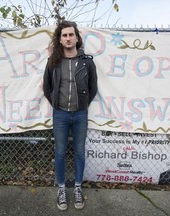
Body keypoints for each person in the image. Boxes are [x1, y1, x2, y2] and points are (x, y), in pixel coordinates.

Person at [43, 20, 98, 210]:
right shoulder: (53, 62)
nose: (68, 38)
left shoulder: (87, 62)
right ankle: (60, 189)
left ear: (77, 37)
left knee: (79, 152)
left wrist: (82, 105)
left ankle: (76, 187)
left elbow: (93, 88)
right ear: (60, 39)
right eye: (64, 35)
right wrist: (56, 105)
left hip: (80, 115)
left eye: (71, 34)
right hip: (60, 116)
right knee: (59, 152)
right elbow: (47, 86)